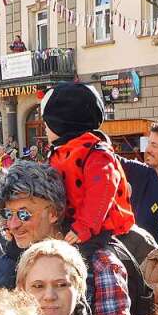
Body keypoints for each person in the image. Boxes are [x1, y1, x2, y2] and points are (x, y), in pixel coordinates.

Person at [0, 161, 141, 315]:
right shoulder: (13, 261)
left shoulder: (99, 265)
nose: (13, 225)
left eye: (23, 214)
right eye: (8, 214)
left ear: (54, 213)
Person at [42, 82, 134, 245]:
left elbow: (102, 189)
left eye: (47, 123)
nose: (45, 129)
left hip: (95, 229)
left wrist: (85, 225)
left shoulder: (96, 152)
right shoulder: (59, 151)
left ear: (62, 122)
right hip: (68, 223)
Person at [121, 122, 158, 242]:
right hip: (137, 255)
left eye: (154, 145)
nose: (147, 150)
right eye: (148, 143)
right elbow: (109, 159)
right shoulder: (141, 173)